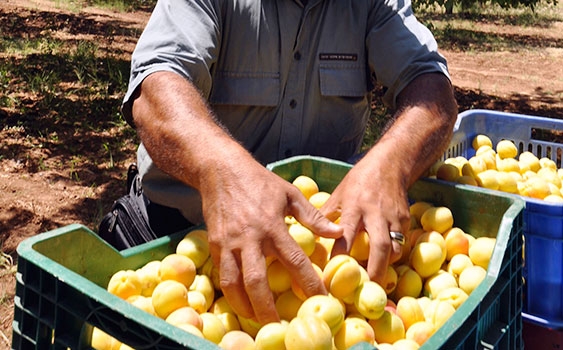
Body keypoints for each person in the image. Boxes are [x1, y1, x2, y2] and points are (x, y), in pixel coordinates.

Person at [115, 0, 458, 325]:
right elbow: (156, 86)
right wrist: (222, 173)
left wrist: (391, 163)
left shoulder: (373, 5)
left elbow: (431, 87)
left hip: (313, 259)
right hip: (176, 240)